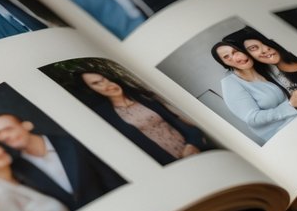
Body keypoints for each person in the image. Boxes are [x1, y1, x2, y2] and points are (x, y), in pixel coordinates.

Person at [0, 112, 124, 211]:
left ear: (27, 125)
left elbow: (111, 178)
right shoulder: (16, 169)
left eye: (8, 129)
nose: (5, 136)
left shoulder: (73, 142)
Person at [74, 69, 208, 165]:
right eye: (96, 83)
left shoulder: (145, 99)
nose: (107, 84)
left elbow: (184, 124)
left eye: (104, 79)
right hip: (169, 165)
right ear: (90, 90)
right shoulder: (105, 117)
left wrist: (192, 144)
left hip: (196, 153)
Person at [212, 41, 297, 143]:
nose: (236, 57)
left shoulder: (262, 68)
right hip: (282, 135)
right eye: (226, 57)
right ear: (224, 63)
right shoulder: (230, 83)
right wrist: (290, 105)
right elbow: (252, 118)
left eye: (235, 51)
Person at [231, 29, 297, 94]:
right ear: (249, 55)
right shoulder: (273, 78)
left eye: (265, 42)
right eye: (253, 48)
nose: (265, 49)